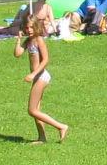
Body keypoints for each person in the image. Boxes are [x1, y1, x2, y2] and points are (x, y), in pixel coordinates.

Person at [16, 11, 68, 143]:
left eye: (31, 27)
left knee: (32, 110)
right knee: (36, 109)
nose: (29, 30)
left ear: (37, 26)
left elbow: (45, 60)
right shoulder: (28, 41)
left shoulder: (39, 40)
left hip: (41, 76)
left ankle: (61, 126)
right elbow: (17, 54)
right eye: (27, 27)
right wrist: (19, 39)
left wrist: (33, 74)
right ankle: (42, 137)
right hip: (37, 77)